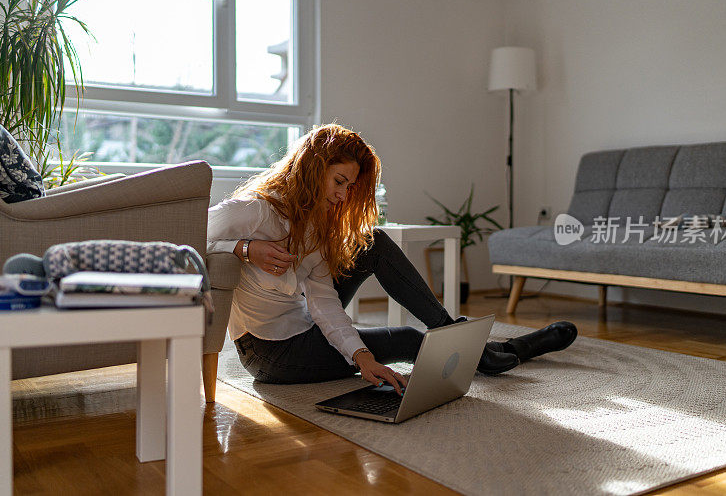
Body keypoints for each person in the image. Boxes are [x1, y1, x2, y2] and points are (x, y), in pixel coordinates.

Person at [207, 124, 577, 394]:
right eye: (338, 181)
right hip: (271, 354)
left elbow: (322, 302)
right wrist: (243, 249)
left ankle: (462, 336)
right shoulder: (255, 212)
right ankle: (514, 347)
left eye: (349, 187)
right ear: (311, 168)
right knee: (406, 339)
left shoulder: (316, 227)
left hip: (304, 322)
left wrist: (361, 356)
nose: (342, 195)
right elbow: (183, 242)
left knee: (372, 242)